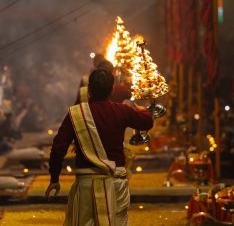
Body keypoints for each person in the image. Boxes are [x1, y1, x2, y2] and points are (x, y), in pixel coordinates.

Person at [45, 68, 153, 225]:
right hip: (116, 181)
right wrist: (144, 111)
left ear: (89, 90)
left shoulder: (76, 114)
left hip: (86, 184)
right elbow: (147, 122)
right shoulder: (122, 111)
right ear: (111, 90)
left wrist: (54, 178)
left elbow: (58, 147)